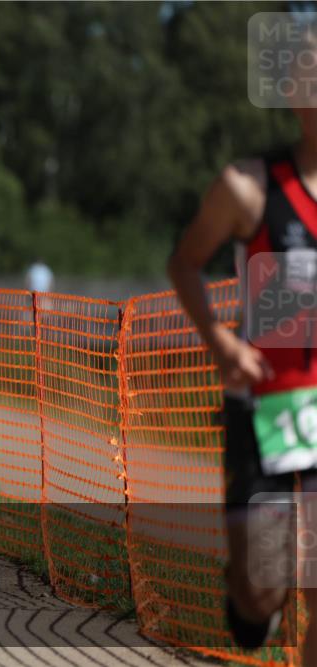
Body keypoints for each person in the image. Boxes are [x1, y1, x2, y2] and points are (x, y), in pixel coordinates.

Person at [167, 63, 317, 660]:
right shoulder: (249, 187)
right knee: (263, 589)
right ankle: (249, 601)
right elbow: (185, 263)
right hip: (268, 405)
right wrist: (221, 342)